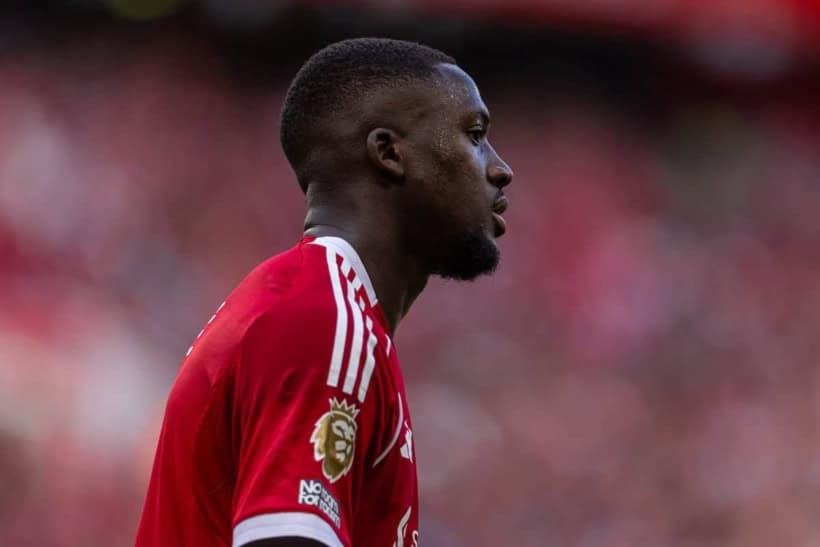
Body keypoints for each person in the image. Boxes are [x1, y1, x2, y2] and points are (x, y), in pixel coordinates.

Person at [135, 37, 513, 547]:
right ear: (388, 153)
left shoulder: (320, 309)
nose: (499, 168)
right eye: (474, 134)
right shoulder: (323, 318)